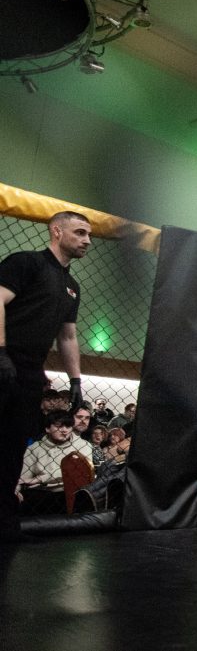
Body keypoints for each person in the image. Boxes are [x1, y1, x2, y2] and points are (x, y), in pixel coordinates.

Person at [0, 210, 91, 541]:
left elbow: (67, 337)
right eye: (80, 233)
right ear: (56, 231)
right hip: (3, 359)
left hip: (28, 374)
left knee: (11, 448)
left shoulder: (72, 287)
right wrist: (0, 352)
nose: (87, 241)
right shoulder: (26, 262)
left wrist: (77, 380)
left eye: (89, 235)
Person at [17, 411, 93, 515]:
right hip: (41, 492)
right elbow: (23, 477)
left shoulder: (83, 445)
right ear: (47, 428)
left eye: (68, 426)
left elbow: (76, 472)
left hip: (69, 492)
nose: (64, 430)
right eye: (59, 426)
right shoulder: (34, 448)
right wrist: (16, 490)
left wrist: (40, 479)